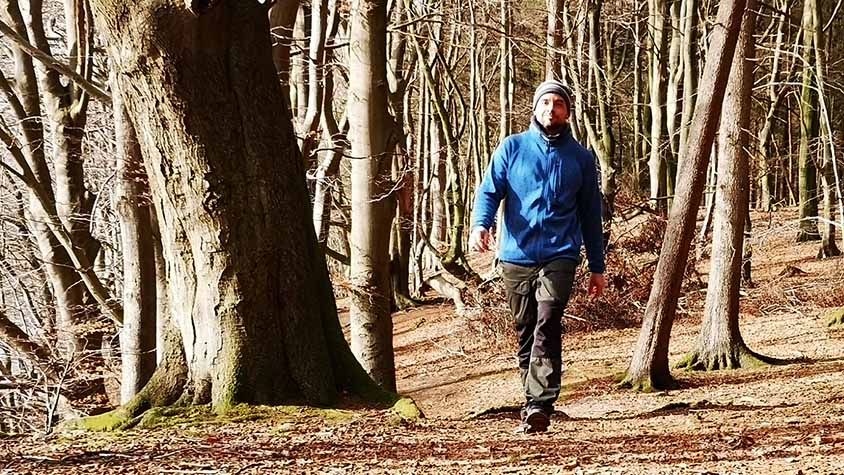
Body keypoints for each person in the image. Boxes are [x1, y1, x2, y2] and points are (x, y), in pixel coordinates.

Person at [469, 79, 606, 434]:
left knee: (547, 320)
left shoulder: (580, 158)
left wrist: (597, 266)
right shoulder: (512, 148)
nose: (551, 109)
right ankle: (530, 398)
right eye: (545, 103)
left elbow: (591, 215)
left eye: (558, 104)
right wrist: (480, 226)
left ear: (568, 112)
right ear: (535, 109)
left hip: (560, 254)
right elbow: (489, 192)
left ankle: (540, 403)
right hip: (516, 254)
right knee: (526, 328)